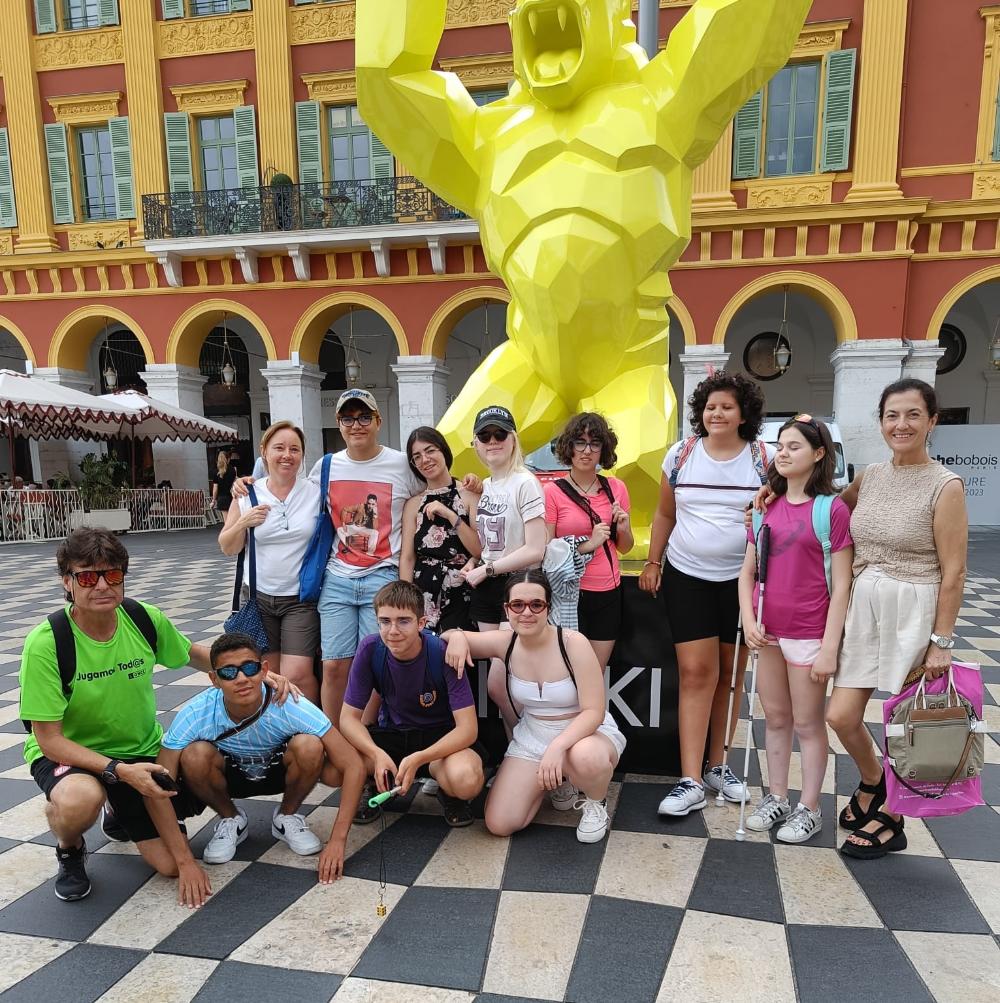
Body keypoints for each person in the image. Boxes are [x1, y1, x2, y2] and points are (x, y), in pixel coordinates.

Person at [16, 528, 297, 902]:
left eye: (112, 574)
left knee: (168, 863)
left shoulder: (141, 618)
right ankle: (70, 849)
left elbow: (195, 654)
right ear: (67, 582)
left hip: (140, 751)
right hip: (73, 756)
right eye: (87, 576)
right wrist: (116, 771)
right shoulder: (47, 643)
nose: (102, 585)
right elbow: (49, 739)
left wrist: (254, 671)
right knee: (78, 800)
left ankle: (120, 805)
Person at [825, 380, 967, 859]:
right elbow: (827, 511)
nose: (901, 425)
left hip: (915, 606)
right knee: (840, 715)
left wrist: (941, 641)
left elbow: (955, 571)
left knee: (907, 724)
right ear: (881, 421)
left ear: (931, 421)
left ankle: (893, 816)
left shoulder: (944, 485)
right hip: (865, 601)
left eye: (912, 415)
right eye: (891, 415)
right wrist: (774, 494)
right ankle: (874, 780)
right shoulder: (869, 476)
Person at [147, 632, 366, 906]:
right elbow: (157, 785)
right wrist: (185, 862)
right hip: (229, 775)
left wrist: (337, 841)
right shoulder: (195, 713)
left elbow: (353, 764)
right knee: (194, 754)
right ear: (214, 679)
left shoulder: (290, 703)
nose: (242, 679)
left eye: (249, 668)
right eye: (229, 672)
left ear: (264, 669)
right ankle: (231, 819)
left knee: (310, 745)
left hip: (279, 773)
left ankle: (286, 816)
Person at [639, 372, 769, 816]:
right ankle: (690, 778)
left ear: (743, 414)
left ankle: (720, 765)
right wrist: (653, 561)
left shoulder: (762, 458)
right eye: (711, 406)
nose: (717, 413)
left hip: (742, 581)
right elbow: (663, 513)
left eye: (727, 407)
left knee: (731, 677)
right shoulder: (682, 454)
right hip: (688, 576)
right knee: (696, 674)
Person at [444, 570, 626, 843]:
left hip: (584, 732)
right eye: (517, 605)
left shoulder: (572, 643)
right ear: (506, 609)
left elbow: (593, 711)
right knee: (499, 823)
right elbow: (446, 635)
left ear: (548, 608)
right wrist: (458, 638)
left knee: (586, 757)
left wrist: (557, 748)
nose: (526, 612)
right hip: (534, 735)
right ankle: (556, 782)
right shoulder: (506, 642)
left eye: (536, 605)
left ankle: (595, 802)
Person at [739, 416, 853, 843]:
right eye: (780, 446)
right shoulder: (765, 506)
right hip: (767, 629)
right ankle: (777, 797)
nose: (783, 454)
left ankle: (809, 807)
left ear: (819, 454)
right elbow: (746, 573)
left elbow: (842, 585)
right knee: (776, 718)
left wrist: (830, 647)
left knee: (808, 723)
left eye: (794, 447)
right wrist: (749, 621)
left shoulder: (832, 510)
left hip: (808, 631)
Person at [340, 580, 487, 826]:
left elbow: (468, 729)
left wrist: (421, 757)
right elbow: (347, 718)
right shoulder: (370, 648)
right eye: (385, 621)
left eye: (403, 621)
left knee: (467, 781)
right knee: (335, 760)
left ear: (421, 623)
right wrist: (375, 754)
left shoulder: (441, 651)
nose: (393, 630)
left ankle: (449, 792)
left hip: (438, 740)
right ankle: (375, 785)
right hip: (393, 735)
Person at [218, 421, 321, 703]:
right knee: (268, 673)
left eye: (294, 449)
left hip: (300, 597)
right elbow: (227, 546)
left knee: (297, 673)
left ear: (302, 456)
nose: (287, 455)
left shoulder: (315, 491)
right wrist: (243, 523)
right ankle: (276, 737)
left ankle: (313, 735)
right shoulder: (247, 494)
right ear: (264, 451)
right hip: (258, 597)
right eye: (279, 448)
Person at [464, 406, 547, 729]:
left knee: (503, 683)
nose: (492, 441)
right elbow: (491, 543)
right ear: (476, 444)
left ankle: (531, 749)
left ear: (513, 439)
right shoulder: (488, 485)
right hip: (488, 585)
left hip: (519, 585)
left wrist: (488, 569)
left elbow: (535, 548)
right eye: (485, 436)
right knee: (505, 683)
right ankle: (519, 751)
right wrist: (477, 563)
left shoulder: (525, 483)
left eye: (500, 434)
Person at [544, 412, 633, 668]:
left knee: (594, 672)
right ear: (568, 447)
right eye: (579, 442)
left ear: (603, 449)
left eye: (595, 443)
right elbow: (547, 551)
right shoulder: (552, 492)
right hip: (569, 593)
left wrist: (624, 527)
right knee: (566, 671)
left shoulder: (616, 488)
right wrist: (588, 544)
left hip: (609, 591)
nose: (587, 451)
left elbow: (624, 547)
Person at [399, 426, 482, 632]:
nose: (425, 459)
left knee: (459, 660)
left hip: (462, 591)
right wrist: (406, 602)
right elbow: (408, 557)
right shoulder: (413, 504)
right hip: (423, 592)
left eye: (430, 450)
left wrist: (451, 515)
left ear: (443, 450)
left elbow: (479, 550)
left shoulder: (469, 495)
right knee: (425, 658)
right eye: (416, 456)